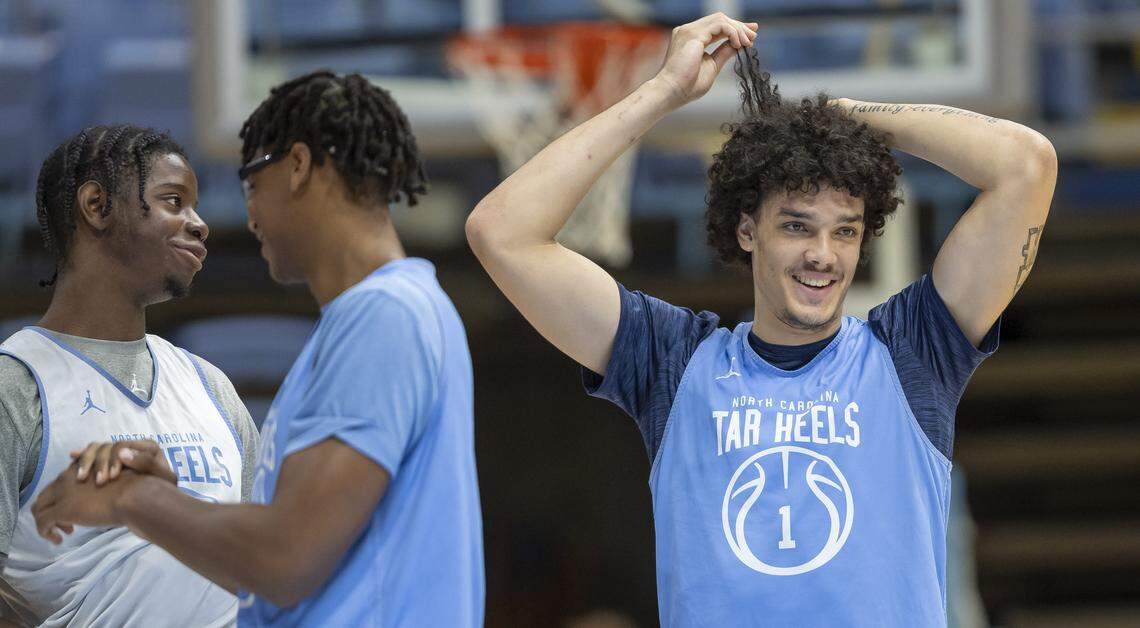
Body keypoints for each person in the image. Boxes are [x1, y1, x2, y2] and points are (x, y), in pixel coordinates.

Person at [465, 13, 1055, 627]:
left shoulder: (912, 353)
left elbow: (1026, 164)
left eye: (844, 232)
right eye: (797, 225)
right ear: (748, 230)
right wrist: (662, 92)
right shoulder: (672, 360)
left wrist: (842, 116)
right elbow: (501, 233)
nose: (822, 255)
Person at [32, 71, 484, 627]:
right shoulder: (380, 315)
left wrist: (131, 499)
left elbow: (283, 560)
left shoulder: (383, 315)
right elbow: (277, 563)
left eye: (250, 183)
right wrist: (170, 502)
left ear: (297, 167)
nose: (246, 216)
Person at [0, 125, 259, 627]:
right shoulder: (16, 386)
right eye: (173, 200)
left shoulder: (211, 386)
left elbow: (265, 562)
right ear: (96, 205)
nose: (199, 224)